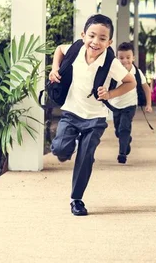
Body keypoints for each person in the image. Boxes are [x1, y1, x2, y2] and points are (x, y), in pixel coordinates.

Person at [49, 14, 136, 216]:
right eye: (92, 36)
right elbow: (59, 50)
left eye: (102, 38)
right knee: (61, 149)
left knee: (86, 155)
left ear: (109, 42)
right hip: (71, 111)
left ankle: (76, 199)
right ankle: (65, 149)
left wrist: (111, 94)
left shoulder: (111, 63)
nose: (95, 42)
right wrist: (54, 69)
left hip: (95, 117)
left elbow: (130, 82)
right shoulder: (75, 49)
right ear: (83, 35)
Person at [106, 42, 152, 164]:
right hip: (115, 105)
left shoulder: (136, 72)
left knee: (124, 128)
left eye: (128, 57)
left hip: (130, 105)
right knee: (118, 131)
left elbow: (146, 88)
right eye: (121, 58)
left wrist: (148, 104)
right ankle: (126, 141)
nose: (125, 61)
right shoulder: (114, 71)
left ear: (133, 58)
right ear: (116, 58)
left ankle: (122, 154)